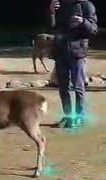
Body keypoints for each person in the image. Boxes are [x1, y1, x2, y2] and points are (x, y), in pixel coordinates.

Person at [51, 0, 98, 128]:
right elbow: (52, 27)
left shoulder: (86, 5)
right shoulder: (60, 4)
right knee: (63, 88)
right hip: (60, 52)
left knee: (78, 86)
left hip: (77, 52)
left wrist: (83, 22)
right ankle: (68, 118)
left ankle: (79, 117)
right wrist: (51, 12)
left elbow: (94, 30)